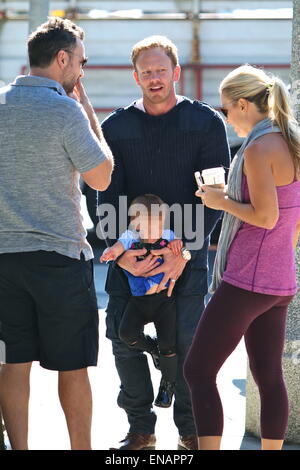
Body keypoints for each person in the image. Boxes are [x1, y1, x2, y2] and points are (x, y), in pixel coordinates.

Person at [98, 35, 230, 450]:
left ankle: (190, 433)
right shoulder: (116, 128)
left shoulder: (206, 123)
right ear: (135, 77)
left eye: (161, 70)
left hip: (185, 257)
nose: (154, 78)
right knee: (123, 343)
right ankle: (141, 429)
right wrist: (124, 259)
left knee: (190, 348)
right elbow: (104, 197)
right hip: (130, 255)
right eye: (146, 72)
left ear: (175, 73)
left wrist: (184, 253)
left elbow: (215, 196)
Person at [0, 17, 114, 450]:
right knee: (72, 367)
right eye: (80, 63)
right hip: (59, 257)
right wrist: (87, 111)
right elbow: (102, 177)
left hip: (4, 257)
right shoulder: (65, 109)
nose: (81, 73)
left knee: (13, 364)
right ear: (62, 58)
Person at [184, 64, 300, 450]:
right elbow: (290, 220)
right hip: (279, 280)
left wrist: (221, 201)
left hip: (248, 280)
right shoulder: (292, 141)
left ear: (244, 105)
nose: (226, 117)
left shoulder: (258, 148)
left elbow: (265, 217)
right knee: (268, 375)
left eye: (226, 109)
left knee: (198, 370)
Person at [101, 194, 183, 409]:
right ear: (136, 224)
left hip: (164, 300)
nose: (155, 231)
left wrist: (178, 248)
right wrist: (111, 253)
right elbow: (118, 248)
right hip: (138, 300)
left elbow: (180, 249)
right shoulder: (130, 237)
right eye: (148, 226)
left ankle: (168, 385)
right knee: (126, 334)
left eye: (158, 224)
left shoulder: (167, 235)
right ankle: (152, 348)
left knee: (169, 344)